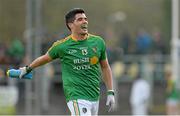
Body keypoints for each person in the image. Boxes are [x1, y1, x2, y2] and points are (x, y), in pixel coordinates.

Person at [19, 8, 115, 115]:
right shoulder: (62, 46)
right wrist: (28, 68)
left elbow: (105, 67)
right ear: (71, 25)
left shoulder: (98, 42)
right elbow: (44, 58)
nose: (84, 21)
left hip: (94, 96)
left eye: (85, 19)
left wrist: (110, 92)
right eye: (80, 19)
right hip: (76, 96)